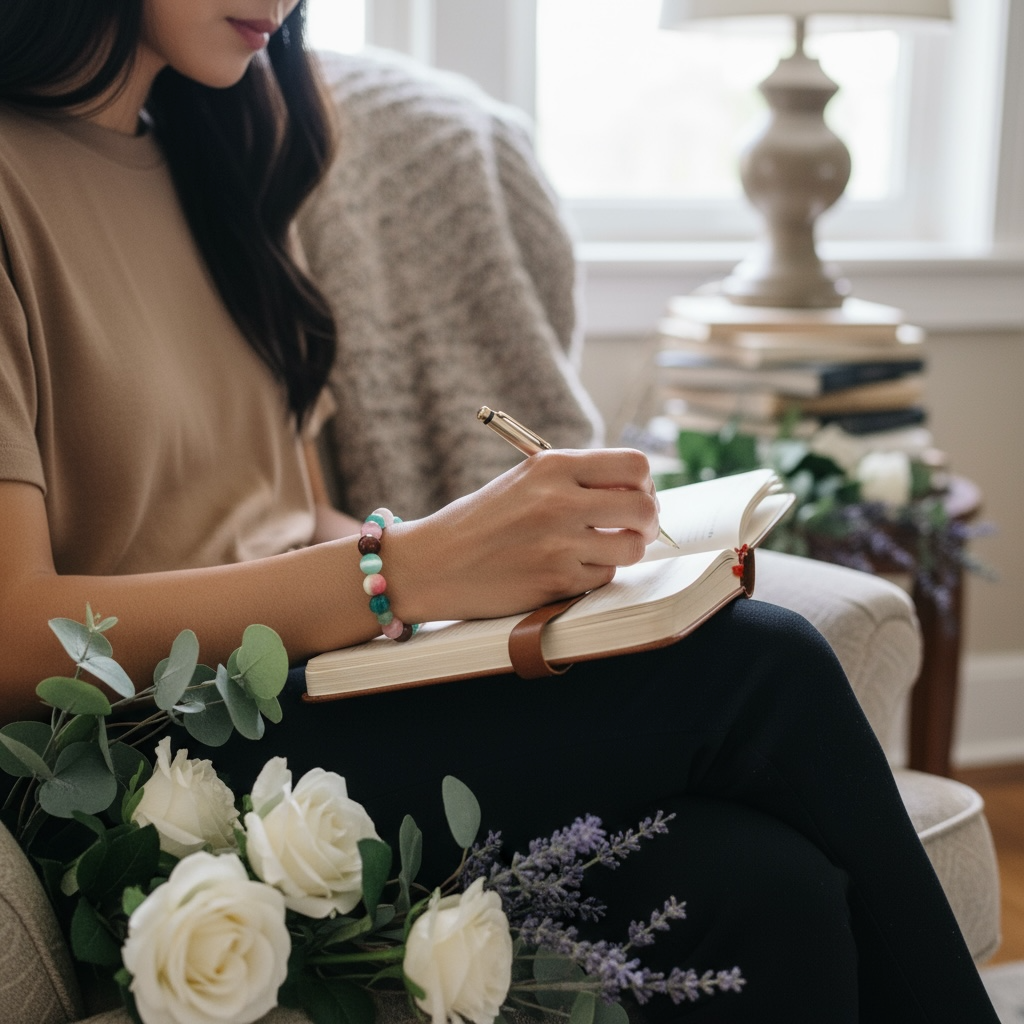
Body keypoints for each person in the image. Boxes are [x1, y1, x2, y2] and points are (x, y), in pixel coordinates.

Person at [0, 2, 999, 1021]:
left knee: (765, 887)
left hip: (310, 690)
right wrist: (404, 569)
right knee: (764, 663)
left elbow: (274, 513)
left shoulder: (220, 153)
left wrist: (483, 584)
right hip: (145, 759)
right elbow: (8, 628)